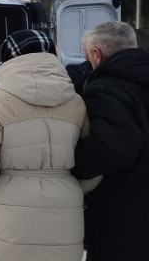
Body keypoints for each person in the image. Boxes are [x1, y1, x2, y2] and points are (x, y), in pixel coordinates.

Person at [0, 30, 87, 261]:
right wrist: (77, 188)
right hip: (65, 205)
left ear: (6, 59)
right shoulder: (76, 102)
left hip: (10, 208)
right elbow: (92, 154)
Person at [71, 21, 149, 260]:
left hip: (125, 214)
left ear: (97, 54)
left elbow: (113, 147)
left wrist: (71, 162)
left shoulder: (106, 88)